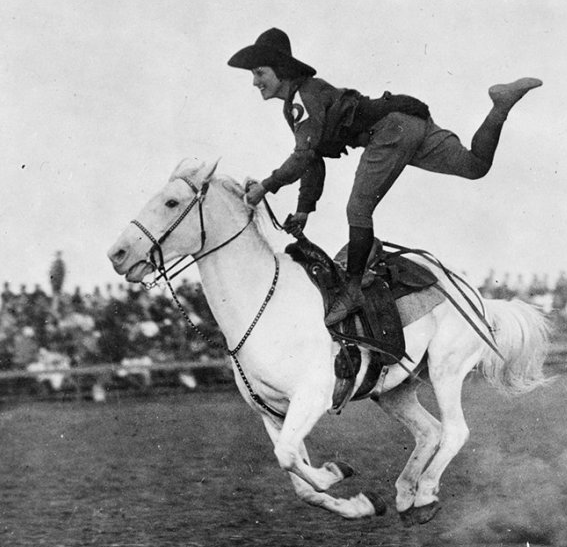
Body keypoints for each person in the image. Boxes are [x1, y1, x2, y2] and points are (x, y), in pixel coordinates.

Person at [229, 28, 541, 326]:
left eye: (260, 72)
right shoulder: (304, 98)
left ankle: (351, 291)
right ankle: (501, 106)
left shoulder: (301, 99)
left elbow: (304, 156)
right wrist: (303, 208)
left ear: (280, 70)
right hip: (410, 121)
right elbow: (313, 158)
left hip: (390, 131)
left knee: (358, 209)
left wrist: (266, 187)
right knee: (475, 166)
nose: (255, 82)